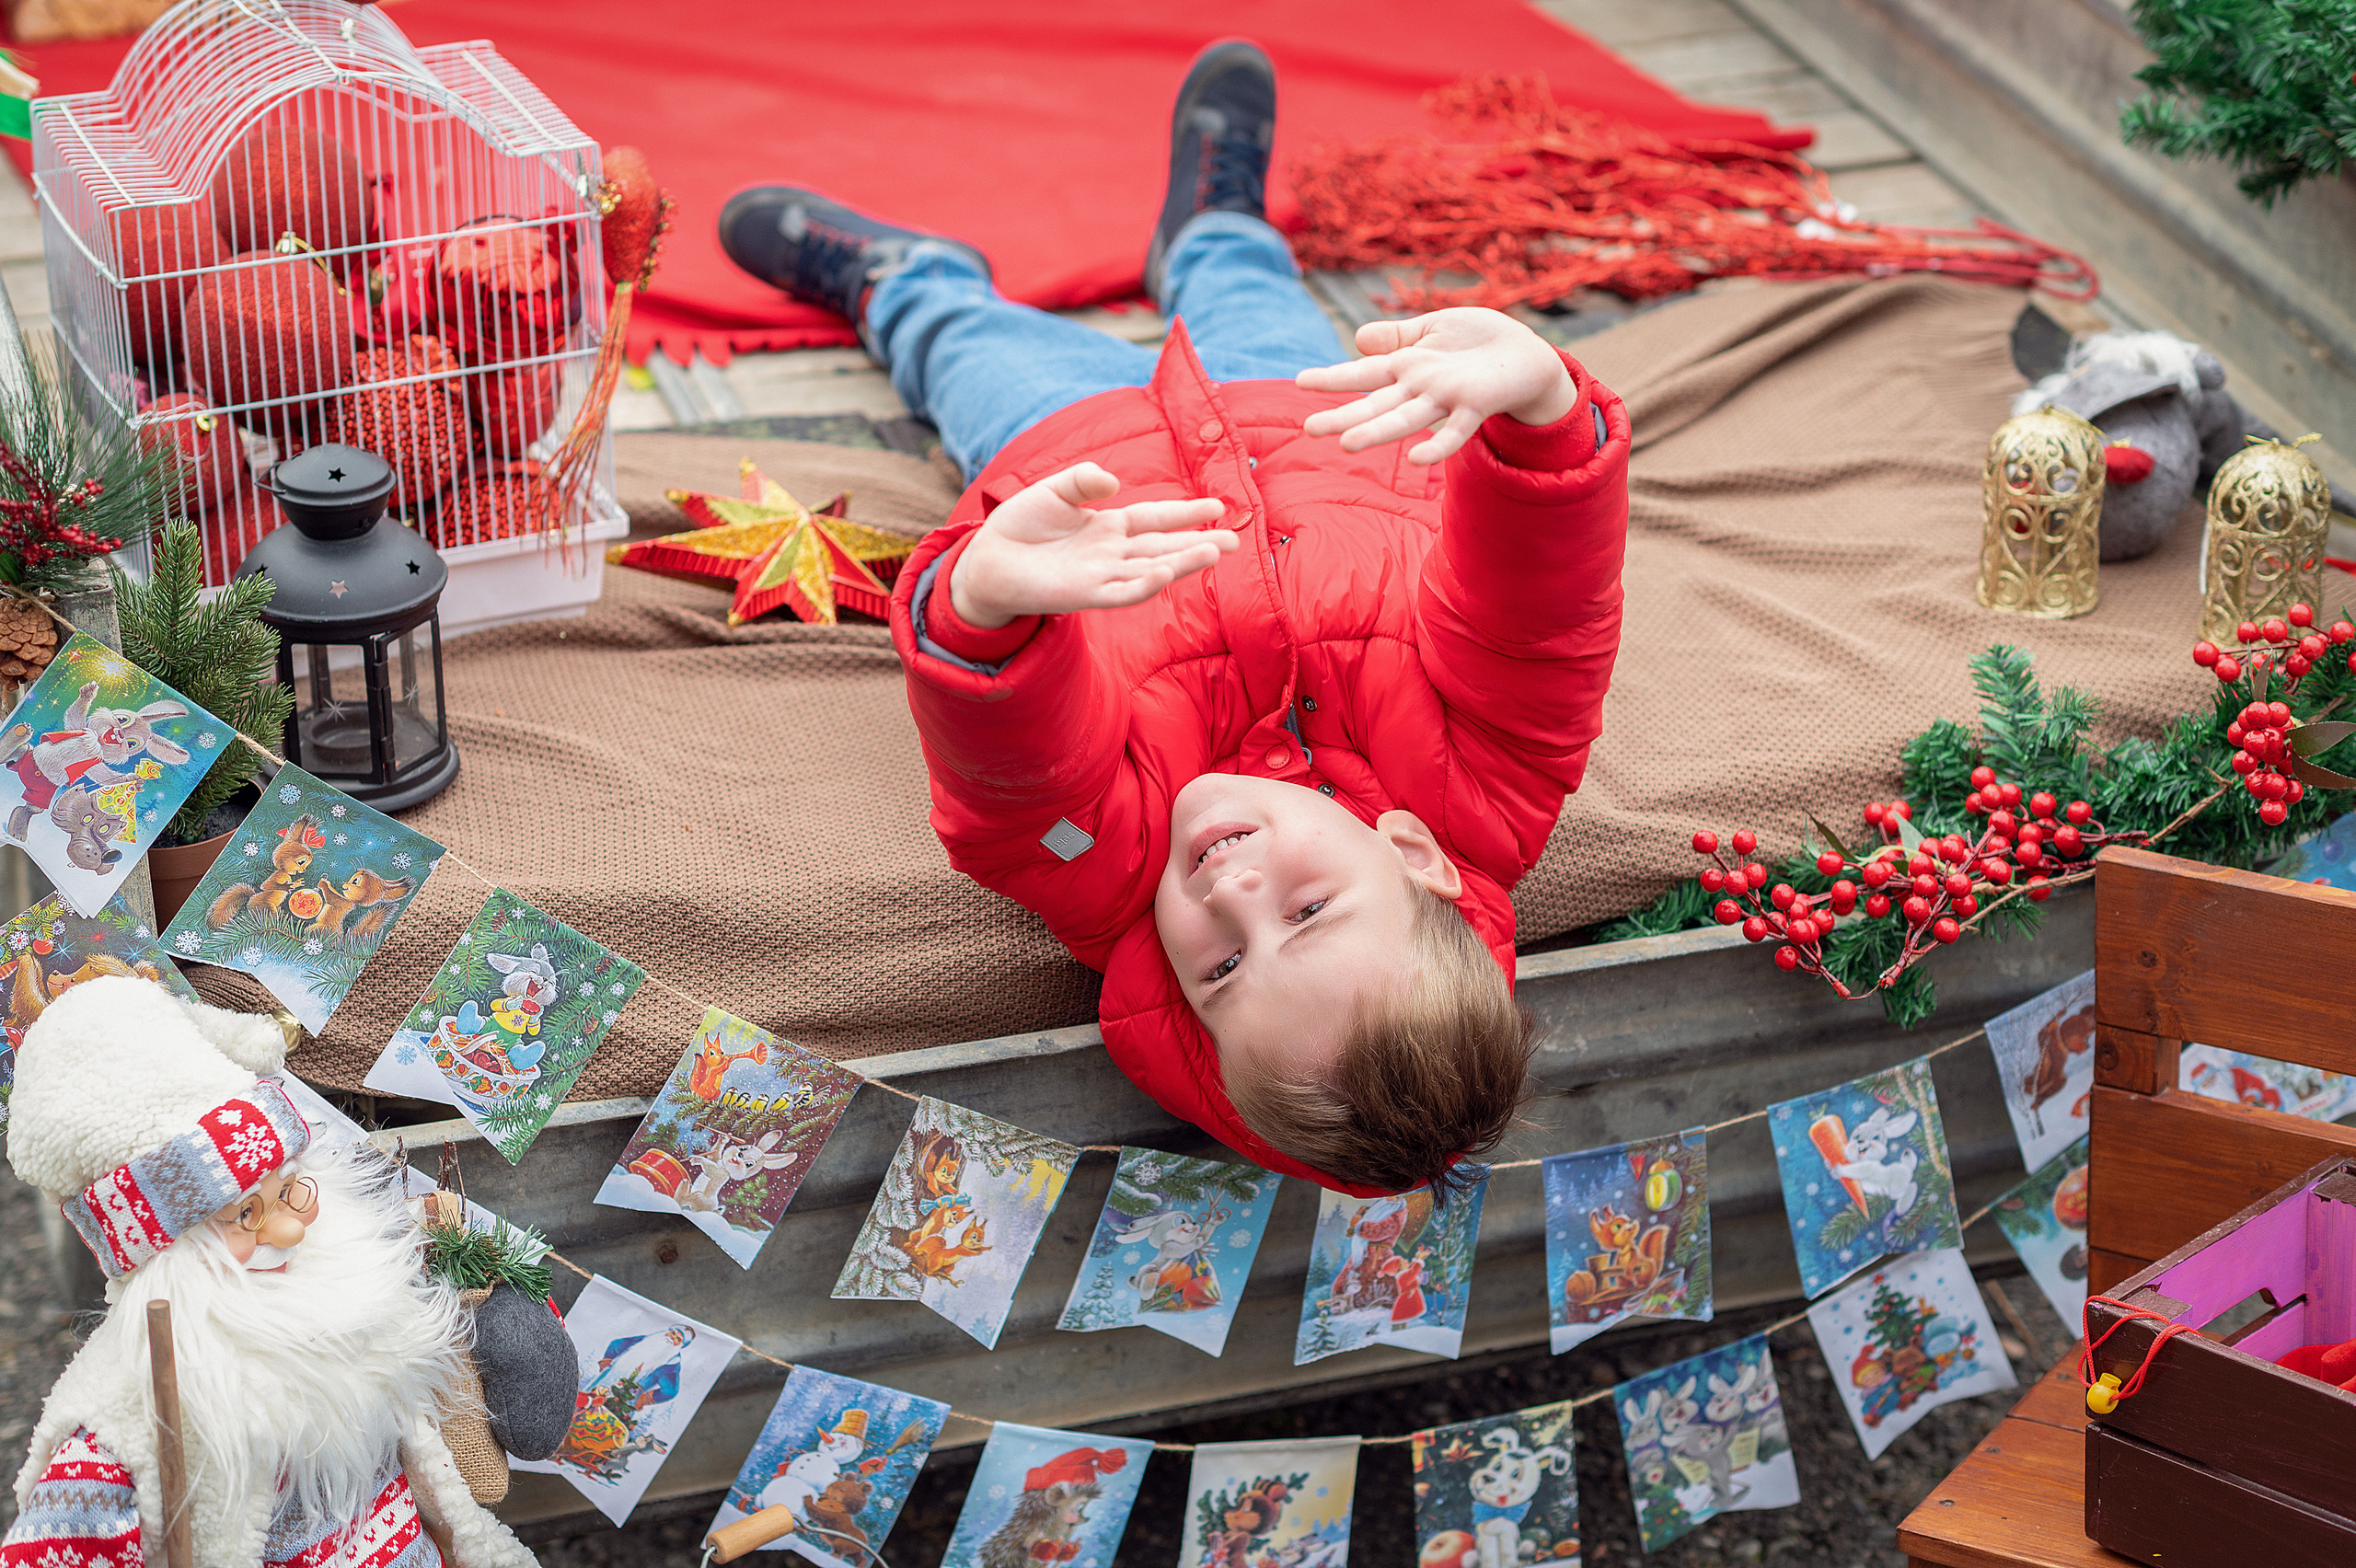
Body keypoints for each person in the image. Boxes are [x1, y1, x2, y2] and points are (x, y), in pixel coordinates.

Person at [721, 40, 1626, 1195]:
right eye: (1307, 908)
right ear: (1412, 857)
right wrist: (1543, 416)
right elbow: (1540, 618)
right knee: (1251, 285)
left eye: (1221, 972)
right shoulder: (1485, 792)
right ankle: (1213, 219)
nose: (1232, 899)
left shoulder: (1113, 875)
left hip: (1070, 455)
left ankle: (901, 278)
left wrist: (985, 610)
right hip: (1309, 411)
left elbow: (1016, 791)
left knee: (969, 349)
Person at [1, 976, 544, 1568]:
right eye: (245, 1215)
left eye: (289, 1194)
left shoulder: (354, 1319)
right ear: (165, 1252)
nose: (288, 1233)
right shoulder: (128, 1417)